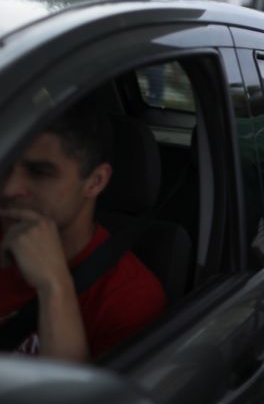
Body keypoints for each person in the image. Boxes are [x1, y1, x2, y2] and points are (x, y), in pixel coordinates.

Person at [0, 100, 166, 361]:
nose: (9, 188)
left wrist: (54, 286)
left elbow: (67, 401)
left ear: (96, 181)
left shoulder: (128, 298)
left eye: (39, 172)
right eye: (6, 164)